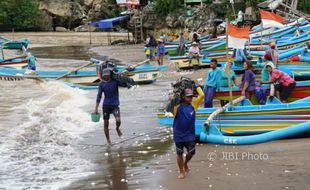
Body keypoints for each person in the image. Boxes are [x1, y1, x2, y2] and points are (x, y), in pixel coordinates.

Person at [172, 82, 204, 179]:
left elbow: (202, 95)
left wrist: (197, 86)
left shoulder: (194, 105)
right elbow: (173, 100)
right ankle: (181, 171)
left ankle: (185, 163)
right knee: (179, 153)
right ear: (183, 97)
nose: (190, 98)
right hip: (178, 134)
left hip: (190, 134)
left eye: (191, 97)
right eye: (188, 97)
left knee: (191, 152)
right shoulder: (177, 106)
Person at [94, 68, 127, 145]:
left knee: (118, 120)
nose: (106, 77)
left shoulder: (115, 82)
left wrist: (123, 77)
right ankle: (108, 141)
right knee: (106, 123)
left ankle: (117, 128)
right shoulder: (102, 84)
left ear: (110, 75)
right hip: (106, 106)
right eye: (105, 76)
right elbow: (99, 96)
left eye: (108, 75)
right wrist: (96, 108)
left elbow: (125, 85)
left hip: (115, 105)